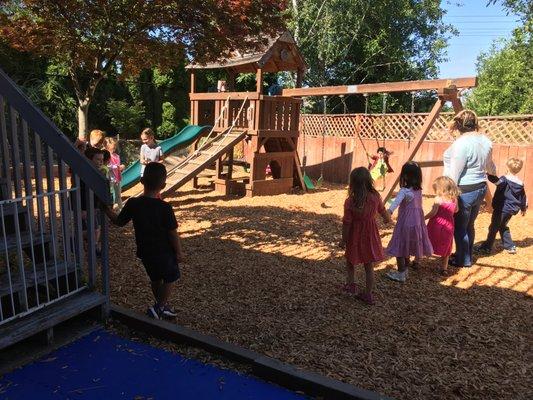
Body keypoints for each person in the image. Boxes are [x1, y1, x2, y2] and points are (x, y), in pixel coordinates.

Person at [105, 162, 183, 320]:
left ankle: (161, 305)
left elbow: (119, 222)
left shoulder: (134, 203)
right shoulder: (165, 208)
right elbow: (172, 233)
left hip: (145, 251)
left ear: (141, 181)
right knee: (171, 276)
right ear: (163, 184)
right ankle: (159, 307)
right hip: (163, 251)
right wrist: (179, 251)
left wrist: (106, 209)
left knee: (155, 278)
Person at [443, 110, 496, 268]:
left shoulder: (461, 144)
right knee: (469, 225)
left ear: (459, 125)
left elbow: (454, 173)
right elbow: (490, 166)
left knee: (460, 227)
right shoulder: (485, 141)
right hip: (479, 187)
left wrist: (452, 197)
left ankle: (462, 259)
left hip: (464, 190)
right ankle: (466, 254)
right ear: (475, 123)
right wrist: (497, 178)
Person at [339, 167, 392, 305]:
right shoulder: (375, 197)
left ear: (352, 184)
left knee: (350, 261)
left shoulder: (350, 201)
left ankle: (351, 286)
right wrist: (387, 219)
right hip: (370, 234)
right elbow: (382, 210)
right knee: (369, 266)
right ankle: (368, 294)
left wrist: (344, 239)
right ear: (369, 181)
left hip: (355, 235)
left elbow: (347, 223)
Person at [386, 162, 433, 282]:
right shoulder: (418, 190)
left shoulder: (404, 191)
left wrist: (389, 212)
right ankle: (405, 271)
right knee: (406, 246)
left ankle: (401, 273)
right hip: (417, 223)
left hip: (405, 223)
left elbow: (396, 203)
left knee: (400, 247)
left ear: (405, 176)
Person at [475, 158, 527, 255]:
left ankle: (486, 247)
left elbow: (497, 182)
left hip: (501, 208)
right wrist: (523, 208)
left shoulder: (505, 180)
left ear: (507, 168)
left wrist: (488, 174)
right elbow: (523, 197)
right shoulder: (520, 183)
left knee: (493, 227)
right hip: (511, 210)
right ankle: (510, 246)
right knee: (502, 226)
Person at [425, 176, 460, 276]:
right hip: (449, 225)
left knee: (427, 241)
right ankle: (444, 268)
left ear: (440, 189)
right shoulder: (454, 199)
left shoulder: (438, 199)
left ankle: (417, 261)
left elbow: (433, 213)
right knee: (446, 245)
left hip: (436, 224)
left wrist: (423, 218)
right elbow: (456, 210)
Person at [104, 137, 125, 210]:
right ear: (107, 147)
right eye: (112, 148)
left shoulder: (116, 156)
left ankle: (120, 209)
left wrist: (121, 167)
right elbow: (107, 166)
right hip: (110, 178)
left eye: (114, 147)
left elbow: (118, 167)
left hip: (117, 178)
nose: (114, 149)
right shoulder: (106, 155)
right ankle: (110, 209)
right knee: (109, 194)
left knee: (118, 195)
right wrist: (117, 167)